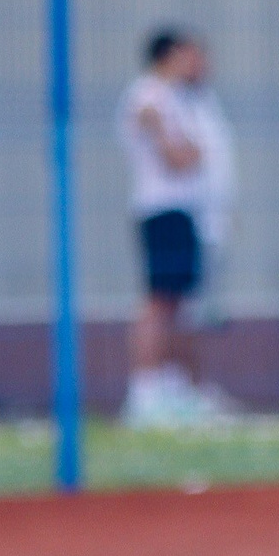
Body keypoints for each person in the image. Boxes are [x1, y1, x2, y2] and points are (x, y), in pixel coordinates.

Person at [114, 27, 235, 424]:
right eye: (192, 55)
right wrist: (192, 149)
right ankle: (145, 390)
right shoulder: (150, 97)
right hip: (163, 210)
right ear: (170, 56)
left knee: (182, 306)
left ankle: (176, 386)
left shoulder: (185, 99)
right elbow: (180, 157)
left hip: (187, 213)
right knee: (159, 301)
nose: (200, 64)